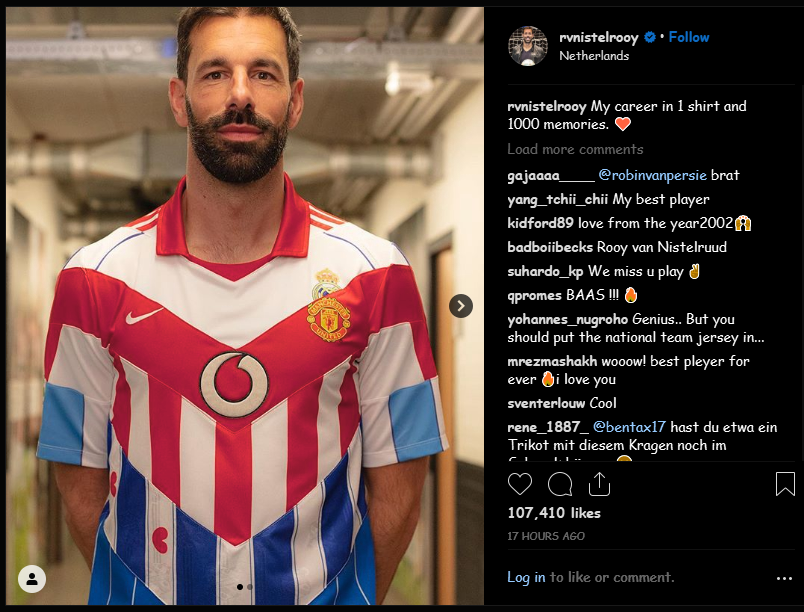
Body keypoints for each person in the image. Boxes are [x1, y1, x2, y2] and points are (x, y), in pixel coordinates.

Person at [36, 7, 448, 606]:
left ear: (295, 100)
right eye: (214, 74)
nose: (239, 95)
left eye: (263, 73)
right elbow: (77, 476)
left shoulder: (377, 274)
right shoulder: (93, 279)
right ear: (178, 100)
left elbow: (401, 479)